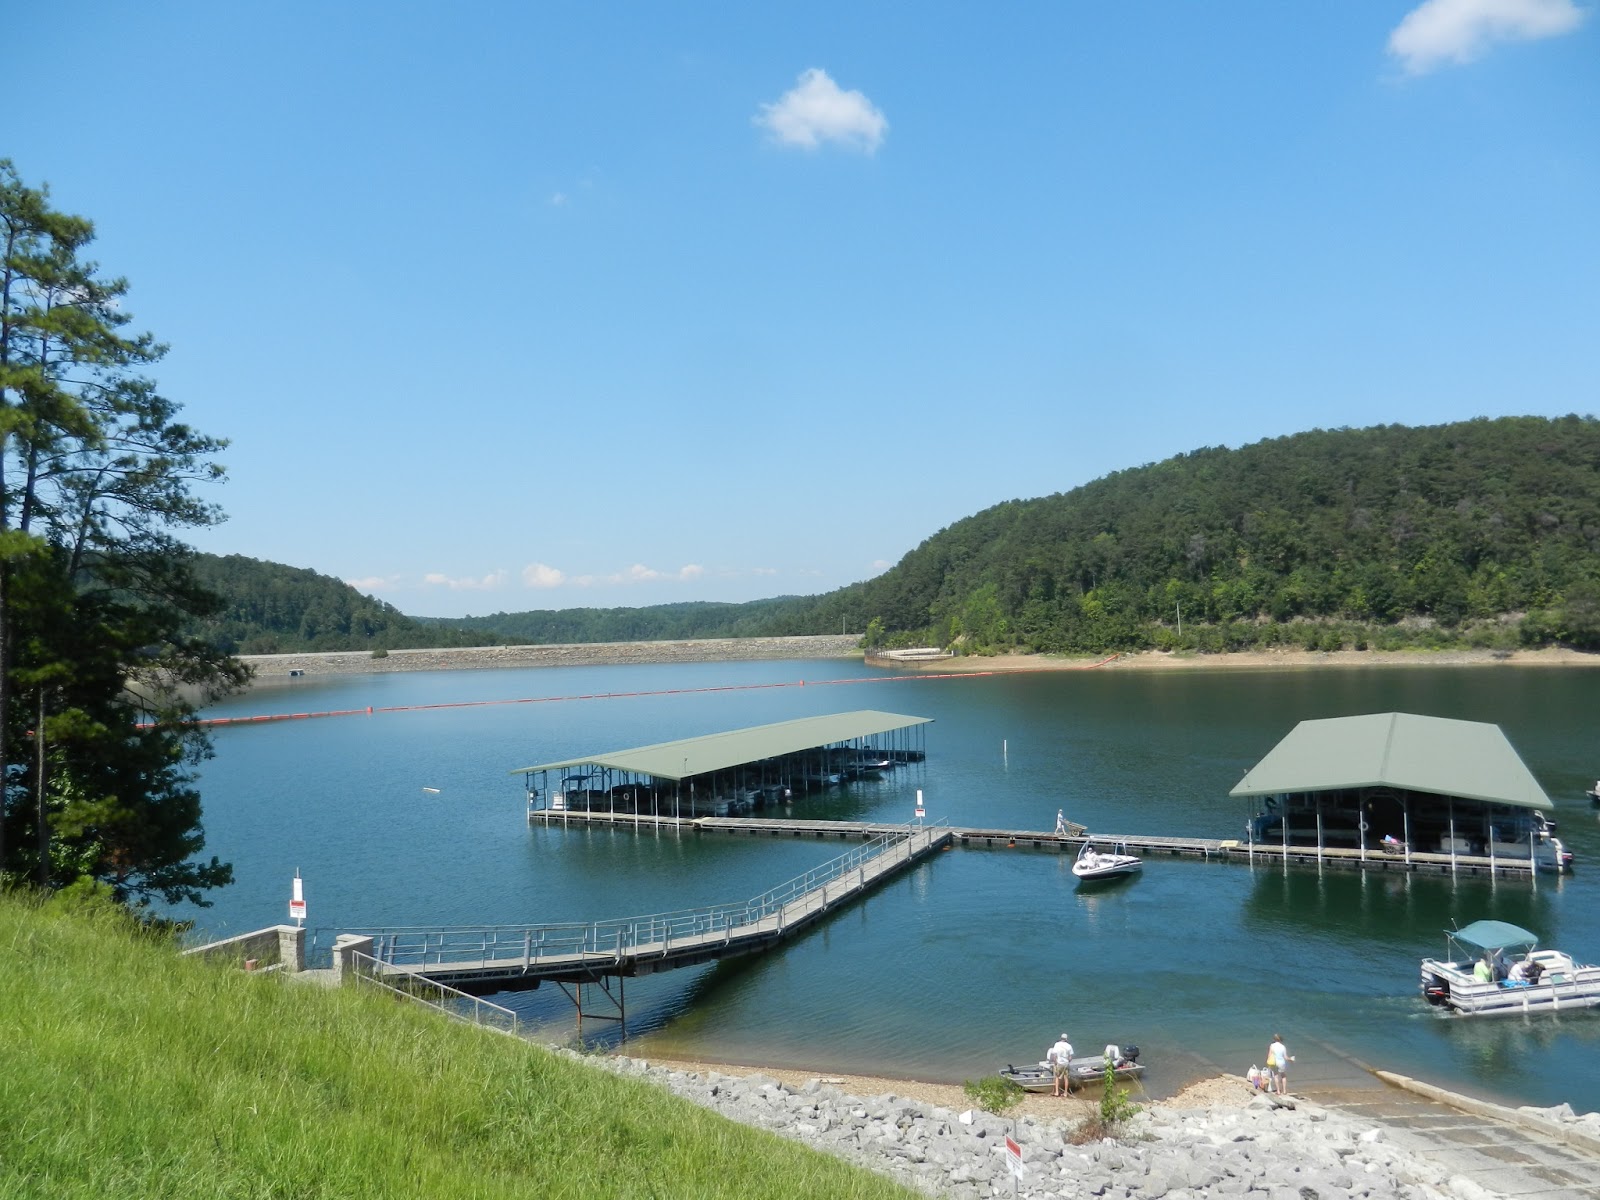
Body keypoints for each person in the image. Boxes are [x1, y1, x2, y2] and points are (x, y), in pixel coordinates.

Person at [1047, 1033, 1074, 1098]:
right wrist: (1067, 1061)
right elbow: (1070, 1057)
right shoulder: (1069, 1046)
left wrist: (1055, 1062)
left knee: (1057, 1077)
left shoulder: (1057, 1044)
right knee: (1066, 1078)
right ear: (1066, 1039)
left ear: (1061, 1038)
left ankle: (1056, 1092)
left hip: (1058, 1063)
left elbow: (1054, 1055)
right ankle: (1065, 1093)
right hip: (1065, 1064)